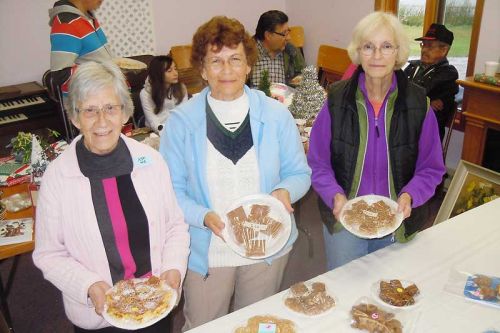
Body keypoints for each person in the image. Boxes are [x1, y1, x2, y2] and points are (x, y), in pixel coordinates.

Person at [160, 16, 311, 331]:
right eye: (216, 61)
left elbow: (299, 172)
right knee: (204, 325)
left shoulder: (276, 114)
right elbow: (171, 190)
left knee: (254, 324)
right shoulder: (181, 122)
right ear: (202, 69)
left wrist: (284, 192)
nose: (226, 70)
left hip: (266, 246)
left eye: (235, 59)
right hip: (209, 249)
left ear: (248, 66)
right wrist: (202, 215)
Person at [32, 61, 190, 332]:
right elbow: (48, 253)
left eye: (110, 108)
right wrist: (88, 285)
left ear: (124, 113)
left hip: (155, 304)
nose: (102, 121)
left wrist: (173, 267)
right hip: (97, 316)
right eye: (90, 111)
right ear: (74, 117)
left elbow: (175, 226)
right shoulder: (58, 177)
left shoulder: (151, 162)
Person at [307, 12, 446, 271]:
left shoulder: (418, 104)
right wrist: (334, 195)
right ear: (358, 52)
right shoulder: (336, 100)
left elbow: (431, 168)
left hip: (397, 219)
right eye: (368, 46)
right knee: (345, 291)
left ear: (398, 52)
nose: (377, 55)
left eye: (386, 46)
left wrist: (409, 196)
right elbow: (318, 162)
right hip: (345, 217)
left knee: (388, 296)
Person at [404, 23, 459, 142]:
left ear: (444, 50)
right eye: (423, 45)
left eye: (429, 46)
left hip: (426, 137)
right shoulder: (413, 67)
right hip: (405, 129)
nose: (423, 50)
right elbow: (394, 88)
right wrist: (426, 101)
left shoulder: (448, 73)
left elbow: (421, 91)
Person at [48, 0, 113, 94]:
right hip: (89, 102)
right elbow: (61, 75)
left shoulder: (88, 18)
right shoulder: (66, 23)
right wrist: (106, 73)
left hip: (103, 95)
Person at [249, 10, 305, 87]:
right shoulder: (247, 52)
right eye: (284, 33)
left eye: (288, 31)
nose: (289, 38)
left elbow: (305, 77)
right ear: (268, 35)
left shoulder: (291, 51)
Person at [140, 55, 188, 133]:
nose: (175, 73)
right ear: (158, 73)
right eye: (169, 71)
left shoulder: (181, 88)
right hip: (156, 130)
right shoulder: (145, 93)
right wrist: (165, 132)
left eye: (175, 69)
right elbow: (153, 121)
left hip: (178, 128)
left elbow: (184, 112)